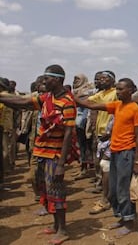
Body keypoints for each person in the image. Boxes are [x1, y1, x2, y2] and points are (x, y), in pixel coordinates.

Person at [0, 65, 76, 244]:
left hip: (55, 155)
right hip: (42, 151)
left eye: (46, 79)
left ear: (57, 80)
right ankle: (56, 225)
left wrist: (61, 164)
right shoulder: (47, 98)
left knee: (56, 192)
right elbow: (24, 103)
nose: (42, 82)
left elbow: (68, 135)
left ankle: (63, 230)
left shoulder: (67, 102)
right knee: (47, 191)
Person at [75, 77, 138, 238]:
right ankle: (121, 216)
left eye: (121, 89)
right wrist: (73, 98)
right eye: (117, 89)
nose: (118, 92)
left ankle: (129, 222)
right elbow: (91, 105)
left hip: (127, 153)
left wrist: (137, 160)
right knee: (113, 189)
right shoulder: (117, 106)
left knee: (123, 189)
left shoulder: (136, 109)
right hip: (115, 151)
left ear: (130, 90)